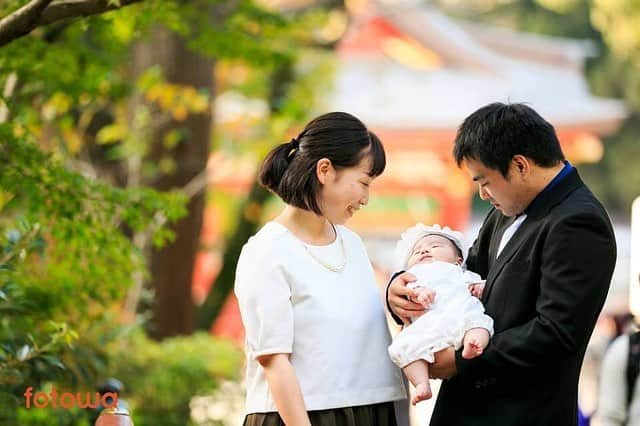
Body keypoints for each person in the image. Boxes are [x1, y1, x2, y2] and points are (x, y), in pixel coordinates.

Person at [386, 102, 617, 425]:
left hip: (521, 414)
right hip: (463, 409)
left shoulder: (578, 221)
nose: (482, 194)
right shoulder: (505, 209)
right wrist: (401, 289)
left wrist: (460, 362)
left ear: (520, 165)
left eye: (484, 181)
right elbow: (459, 274)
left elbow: (556, 333)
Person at [235, 112, 406, 426]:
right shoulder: (267, 251)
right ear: (325, 170)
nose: (366, 199)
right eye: (364, 182)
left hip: (371, 410)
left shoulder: (352, 244)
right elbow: (274, 360)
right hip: (299, 416)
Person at [387, 223, 493, 405]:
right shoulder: (415, 275)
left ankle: (473, 343)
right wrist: (419, 292)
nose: (424, 251)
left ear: (459, 260)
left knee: (480, 322)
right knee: (404, 346)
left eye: (435, 246)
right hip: (427, 326)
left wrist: (479, 288)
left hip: (460, 315)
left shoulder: (460, 272)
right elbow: (409, 289)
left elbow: (478, 283)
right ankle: (421, 384)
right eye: (416, 251)